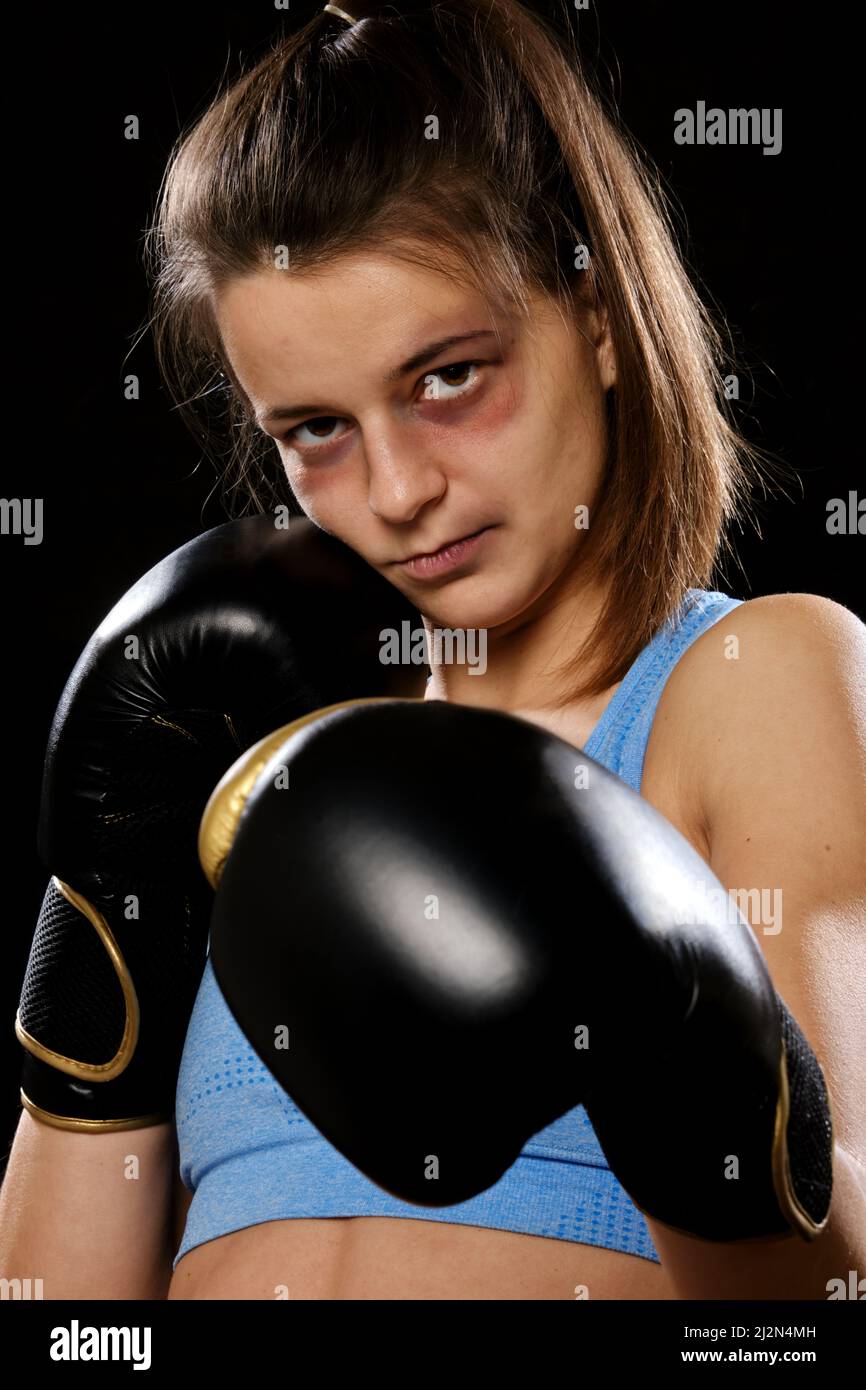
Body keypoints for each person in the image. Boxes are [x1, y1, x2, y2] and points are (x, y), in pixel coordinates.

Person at [3, 0, 864, 1302]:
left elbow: (819, 1303)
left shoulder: (747, 681)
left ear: (598, 314)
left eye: (448, 376)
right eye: (314, 431)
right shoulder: (234, 753)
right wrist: (98, 942)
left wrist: (672, 1018)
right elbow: (65, 1327)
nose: (398, 489)